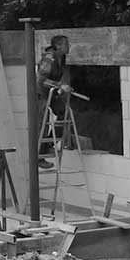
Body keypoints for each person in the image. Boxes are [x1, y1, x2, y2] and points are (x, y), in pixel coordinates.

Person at [36, 36, 72, 168]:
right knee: (42, 123)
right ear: (58, 45)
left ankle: (49, 145)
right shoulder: (49, 58)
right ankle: (39, 156)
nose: (69, 47)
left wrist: (62, 86)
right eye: (66, 44)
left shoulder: (60, 58)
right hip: (41, 94)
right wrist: (59, 86)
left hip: (50, 93)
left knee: (64, 113)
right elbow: (41, 80)